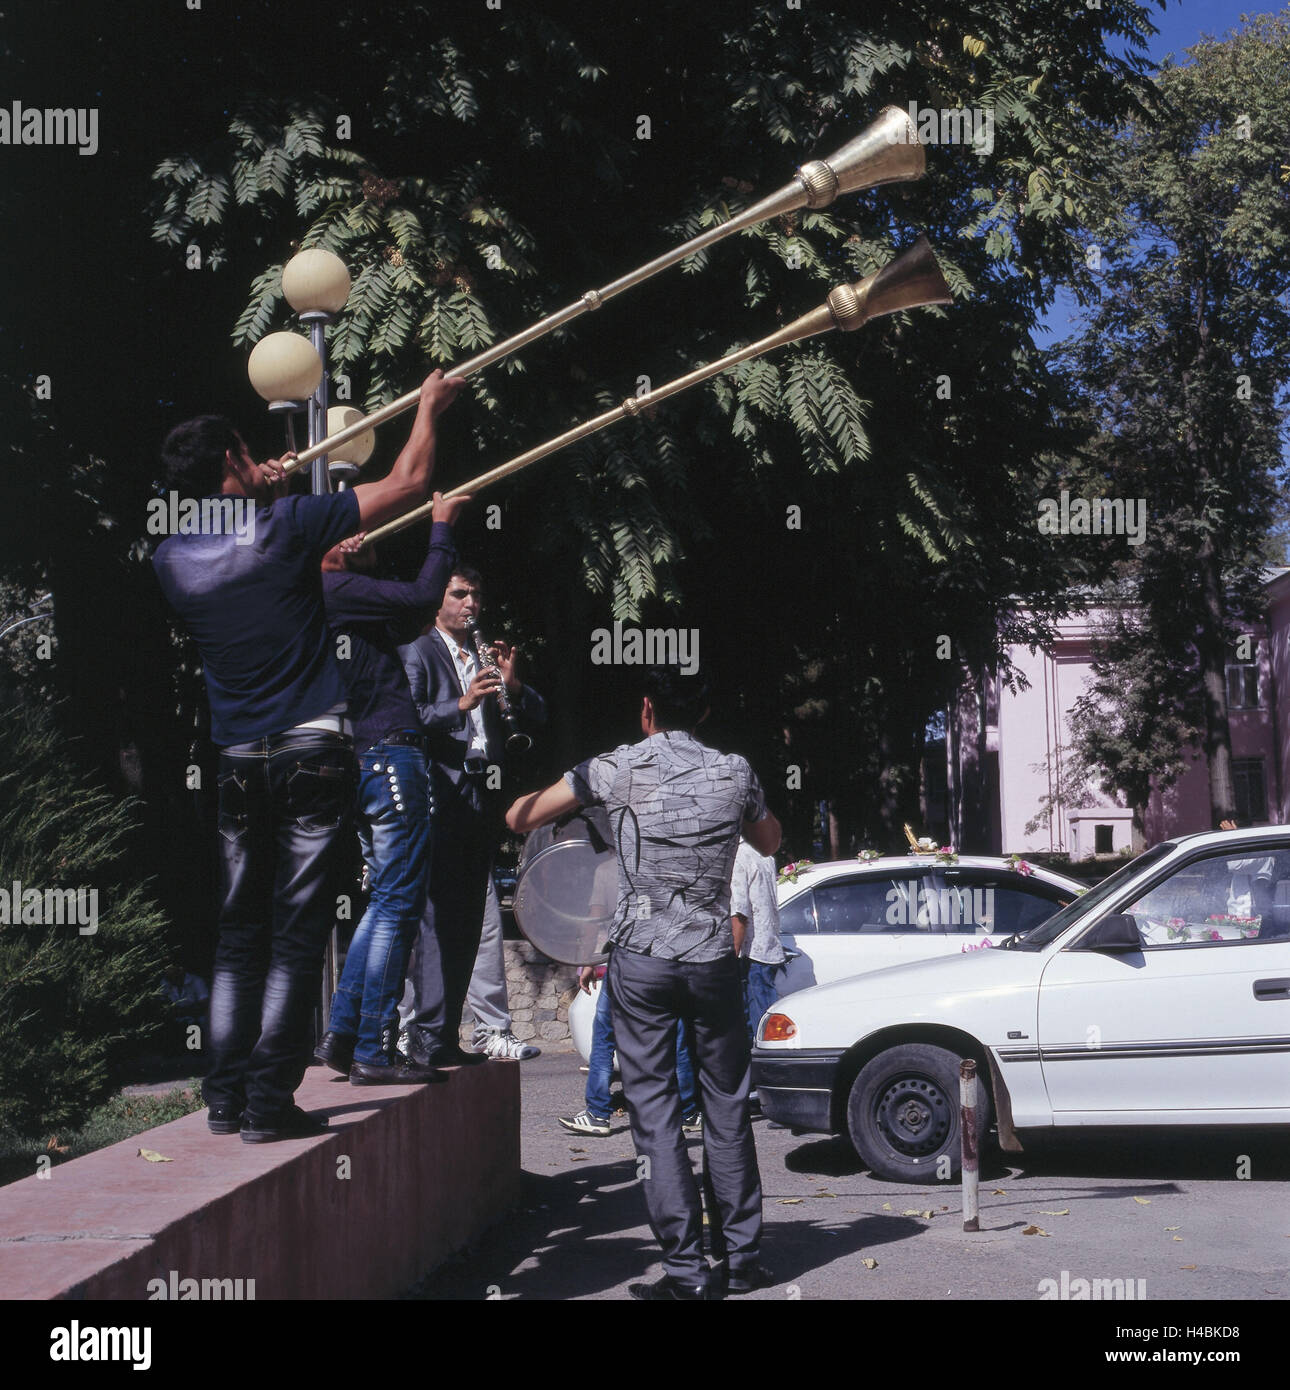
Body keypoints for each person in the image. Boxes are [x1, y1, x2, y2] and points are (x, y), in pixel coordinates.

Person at [152, 369, 462, 1142]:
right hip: (311, 749)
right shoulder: (287, 526)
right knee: (295, 934)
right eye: (248, 451)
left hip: (235, 759)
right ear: (232, 455)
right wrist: (428, 408)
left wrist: (259, 491)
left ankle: (224, 1100)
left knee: (237, 934)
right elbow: (411, 479)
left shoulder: (172, 560)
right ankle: (268, 1103)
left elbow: (237, 550)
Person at [507, 665, 781, 1300]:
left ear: (647, 711)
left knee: (654, 1116)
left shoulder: (615, 767)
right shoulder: (736, 771)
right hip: (713, 956)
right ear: (706, 714)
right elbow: (768, 841)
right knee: (727, 1109)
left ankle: (685, 1274)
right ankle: (743, 1261)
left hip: (643, 958)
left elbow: (523, 818)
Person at [312, 484, 469, 1086]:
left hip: (364, 757)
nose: (361, 536)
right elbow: (423, 596)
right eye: (345, 532)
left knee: (384, 903)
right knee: (397, 903)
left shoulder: (323, 595)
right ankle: (374, 1051)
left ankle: (343, 1034)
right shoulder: (338, 586)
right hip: (388, 754)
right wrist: (442, 525)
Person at [398, 567, 545, 1068]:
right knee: (437, 919)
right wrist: (461, 703)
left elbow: (541, 715)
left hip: (482, 793)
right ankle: (422, 1034)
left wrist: (512, 685)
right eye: (459, 594)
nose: (470, 603)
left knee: (469, 922)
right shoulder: (418, 652)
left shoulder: (485, 656)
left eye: (476, 594)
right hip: (442, 791)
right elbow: (407, 717)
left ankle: (445, 1035)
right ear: (437, 601)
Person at [560, 964, 699, 1137]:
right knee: (676, 1042)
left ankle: (597, 1114)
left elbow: (604, 936)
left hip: (623, 967)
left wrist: (591, 963)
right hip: (665, 967)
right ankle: (688, 1113)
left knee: (604, 1040)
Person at [731, 840, 785, 1049]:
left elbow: (740, 913)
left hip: (753, 952)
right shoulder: (764, 854)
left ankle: (759, 1077)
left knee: (757, 1029)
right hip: (768, 948)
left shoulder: (738, 857)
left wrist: (732, 956)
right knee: (766, 1026)